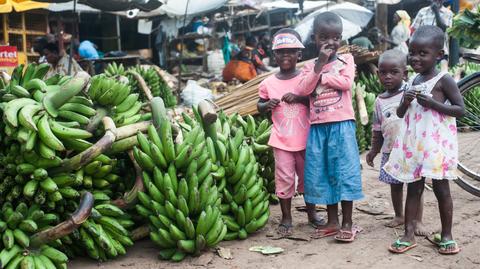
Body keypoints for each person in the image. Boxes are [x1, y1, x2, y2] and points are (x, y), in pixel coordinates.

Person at [384, 25, 465, 255]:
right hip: (414, 146)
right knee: (414, 189)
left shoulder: (443, 80)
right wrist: (405, 101)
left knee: (442, 190)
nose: (415, 58)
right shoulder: (414, 79)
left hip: (435, 147)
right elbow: (400, 114)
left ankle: (447, 235)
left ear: (438, 55)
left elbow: (460, 109)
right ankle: (408, 234)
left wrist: (434, 104)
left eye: (423, 53)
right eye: (412, 52)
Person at [294, 12, 363, 242]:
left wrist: (323, 77)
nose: (330, 42)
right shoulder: (309, 67)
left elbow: (346, 82)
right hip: (318, 128)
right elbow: (303, 89)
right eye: (324, 37)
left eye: (335, 38)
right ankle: (332, 221)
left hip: (341, 126)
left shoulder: (347, 60)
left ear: (341, 39)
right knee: (324, 173)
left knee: (343, 172)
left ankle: (348, 222)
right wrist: (320, 66)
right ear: (315, 38)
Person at [257, 28, 324, 236]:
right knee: (284, 179)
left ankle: (312, 214)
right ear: (274, 55)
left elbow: (315, 99)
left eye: (291, 52)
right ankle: (286, 217)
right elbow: (259, 105)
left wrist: (301, 98)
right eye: (281, 52)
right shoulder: (268, 82)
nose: (286, 56)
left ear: (299, 55)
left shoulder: (305, 77)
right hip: (281, 140)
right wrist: (267, 104)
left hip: (306, 140)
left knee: (308, 179)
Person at [366, 50, 427, 234]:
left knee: (415, 187)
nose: (388, 77)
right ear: (377, 74)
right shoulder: (379, 101)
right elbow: (378, 129)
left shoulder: (411, 93)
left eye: (394, 72)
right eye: (383, 73)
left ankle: (417, 220)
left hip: (410, 149)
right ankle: (399, 215)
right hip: (390, 150)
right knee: (395, 185)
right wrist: (373, 150)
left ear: (405, 74)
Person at [411, 0, 453, 71]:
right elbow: (415, 31)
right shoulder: (422, 11)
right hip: (423, 52)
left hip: (440, 52)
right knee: (424, 76)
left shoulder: (448, 13)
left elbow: (443, 29)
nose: (437, 1)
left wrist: (436, 12)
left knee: (442, 76)